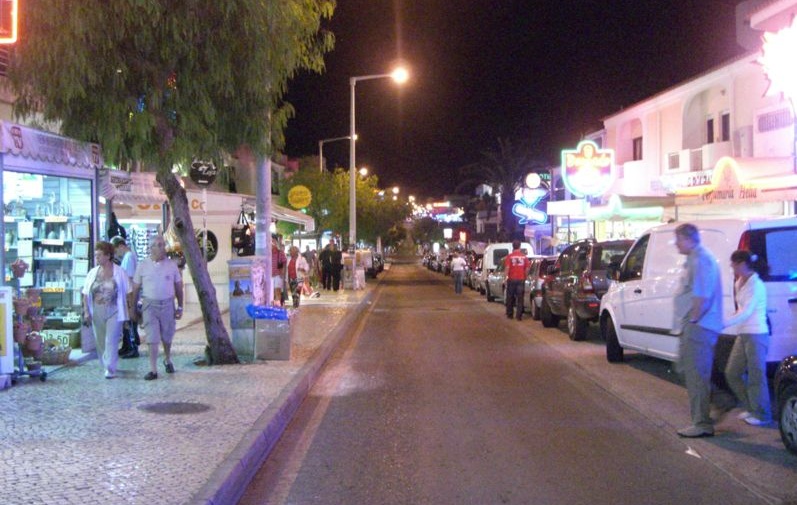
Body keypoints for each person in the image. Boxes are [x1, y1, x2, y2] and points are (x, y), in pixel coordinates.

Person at [673, 223, 724, 438]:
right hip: (695, 326)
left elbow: (702, 296)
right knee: (684, 368)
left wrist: (693, 320)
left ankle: (702, 423)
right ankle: (721, 399)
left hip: (699, 327)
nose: (676, 244)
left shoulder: (700, 259)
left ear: (688, 239)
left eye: (678, 240)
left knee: (696, 376)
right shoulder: (694, 258)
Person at [723, 250, 772, 426]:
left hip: (757, 333)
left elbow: (747, 311)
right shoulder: (739, 282)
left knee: (756, 375)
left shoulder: (756, 285)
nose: (732, 266)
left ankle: (762, 414)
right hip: (743, 333)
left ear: (742, 263)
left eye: (733, 263)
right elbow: (740, 309)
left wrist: (724, 323)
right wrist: (728, 319)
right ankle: (751, 407)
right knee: (732, 372)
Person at [130, 235, 183, 381]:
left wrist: (180, 307)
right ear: (151, 248)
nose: (161, 248)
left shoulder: (171, 265)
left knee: (167, 335)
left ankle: (167, 358)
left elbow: (179, 287)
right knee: (152, 337)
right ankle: (153, 369)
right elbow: (135, 288)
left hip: (167, 305)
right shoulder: (142, 265)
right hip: (149, 306)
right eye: (158, 245)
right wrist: (133, 308)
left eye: (162, 245)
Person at [82, 241, 131, 379]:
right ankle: (106, 363)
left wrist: (130, 311)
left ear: (108, 256)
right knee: (101, 340)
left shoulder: (119, 272)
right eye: (96, 255)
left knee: (111, 339)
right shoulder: (93, 273)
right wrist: (86, 311)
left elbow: (128, 291)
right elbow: (86, 293)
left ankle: (111, 367)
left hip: (114, 310)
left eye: (99, 255)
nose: (97, 258)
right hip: (97, 310)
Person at [112, 236, 140, 359]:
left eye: (116, 250)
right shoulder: (129, 256)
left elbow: (129, 279)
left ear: (121, 246)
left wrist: (130, 300)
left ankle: (133, 347)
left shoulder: (128, 257)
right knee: (126, 321)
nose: (116, 253)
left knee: (129, 322)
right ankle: (127, 345)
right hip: (126, 295)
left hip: (128, 296)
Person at [503, 240, 531, 320]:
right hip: (521, 279)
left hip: (511, 279)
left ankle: (510, 314)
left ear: (513, 246)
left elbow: (507, 268)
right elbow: (527, 268)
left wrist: (505, 278)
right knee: (520, 298)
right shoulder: (524, 257)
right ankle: (519, 316)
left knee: (510, 297)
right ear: (520, 246)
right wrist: (525, 275)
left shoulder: (509, 257)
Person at [272, 235, 287, 306]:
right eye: (271, 241)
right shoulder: (266, 254)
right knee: (270, 293)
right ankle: (272, 307)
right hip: (268, 276)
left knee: (277, 291)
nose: (272, 243)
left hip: (277, 275)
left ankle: (278, 307)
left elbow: (284, 262)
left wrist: (282, 273)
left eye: (273, 241)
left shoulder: (280, 253)